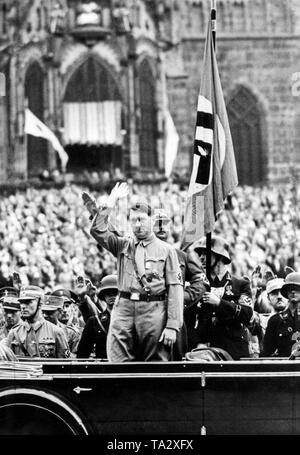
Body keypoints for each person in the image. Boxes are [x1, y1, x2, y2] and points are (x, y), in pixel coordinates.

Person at [87, 182, 184, 362]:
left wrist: (172, 325)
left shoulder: (166, 250)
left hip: (153, 309)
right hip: (123, 307)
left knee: (153, 363)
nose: (137, 225)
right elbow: (97, 231)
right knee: (117, 359)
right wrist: (111, 201)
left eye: (141, 220)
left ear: (152, 221)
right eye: (133, 220)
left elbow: (175, 289)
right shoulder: (124, 245)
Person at [153, 211, 209, 358]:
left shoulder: (182, 255)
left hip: (175, 318)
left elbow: (202, 280)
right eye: (156, 223)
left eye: (164, 223)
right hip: (147, 316)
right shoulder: (138, 255)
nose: (161, 227)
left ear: (170, 227)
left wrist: (182, 297)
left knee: (175, 362)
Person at [190, 236, 253, 360]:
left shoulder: (240, 284)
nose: (201, 257)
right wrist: (197, 342)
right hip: (204, 351)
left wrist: (219, 303)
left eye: (206, 253)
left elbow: (247, 314)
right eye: (200, 254)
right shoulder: (199, 286)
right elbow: (189, 320)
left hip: (234, 350)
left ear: (219, 256)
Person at [5, 286, 70, 358]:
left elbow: (64, 364)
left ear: (40, 303)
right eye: (21, 302)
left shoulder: (56, 332)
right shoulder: (14, 333)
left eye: (28, 302)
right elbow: (7, 363)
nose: (23, 306)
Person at [77, 274, 118, 359]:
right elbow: (82, 354)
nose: (112, 296)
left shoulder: (131, 320)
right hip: (103, 369)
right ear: (103, 296)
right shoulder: (95, 321)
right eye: (108, 293)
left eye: (115, 293)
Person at [262, 272, 300, 357]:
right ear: (286, 293)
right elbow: (267, 353)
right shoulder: (275, 320)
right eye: (290, 289)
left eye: (297, 289)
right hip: (284, 367)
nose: (293, 291)